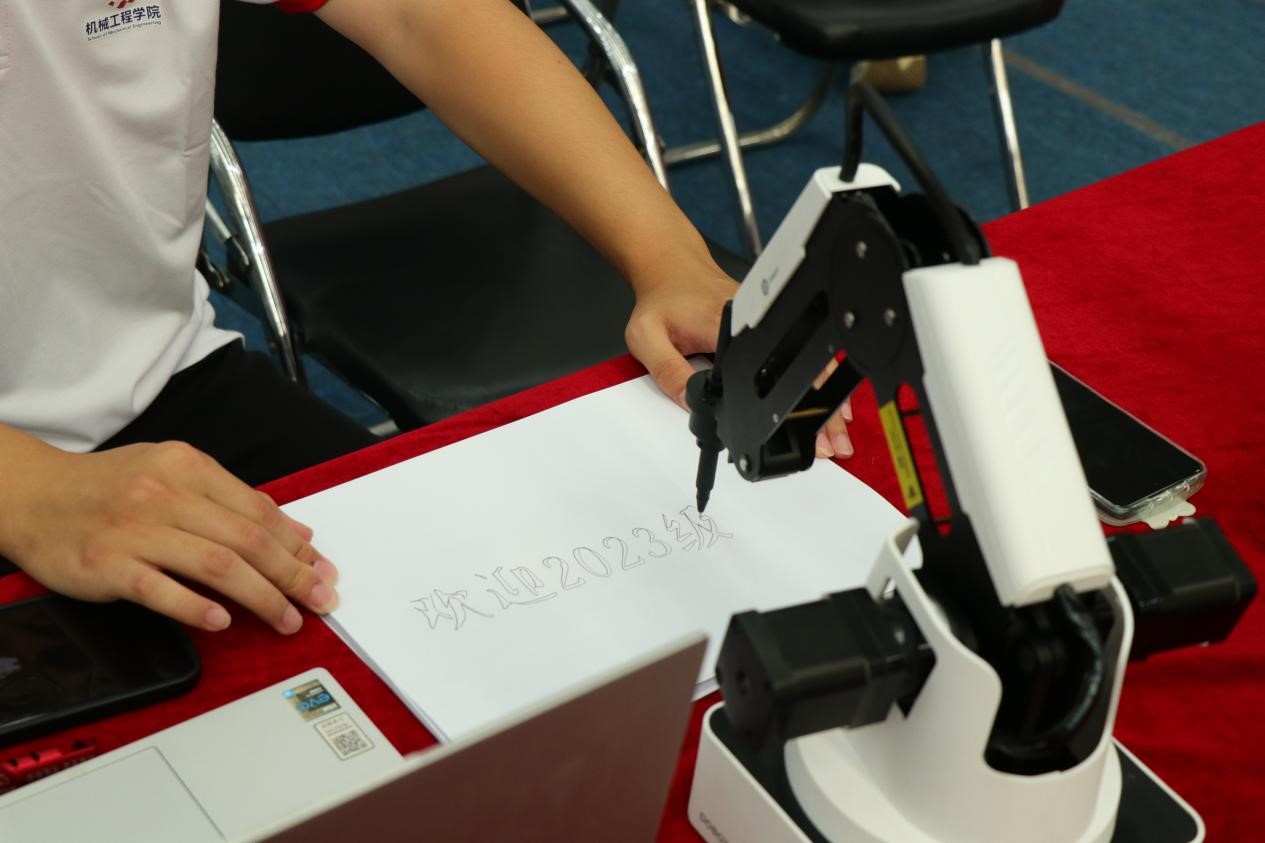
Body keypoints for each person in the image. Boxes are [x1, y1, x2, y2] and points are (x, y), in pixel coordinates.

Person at [0, 0, 851, 636]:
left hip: (160, 372)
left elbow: (422, 14)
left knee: (506, 659)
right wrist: (31, 491)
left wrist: (669, 260)